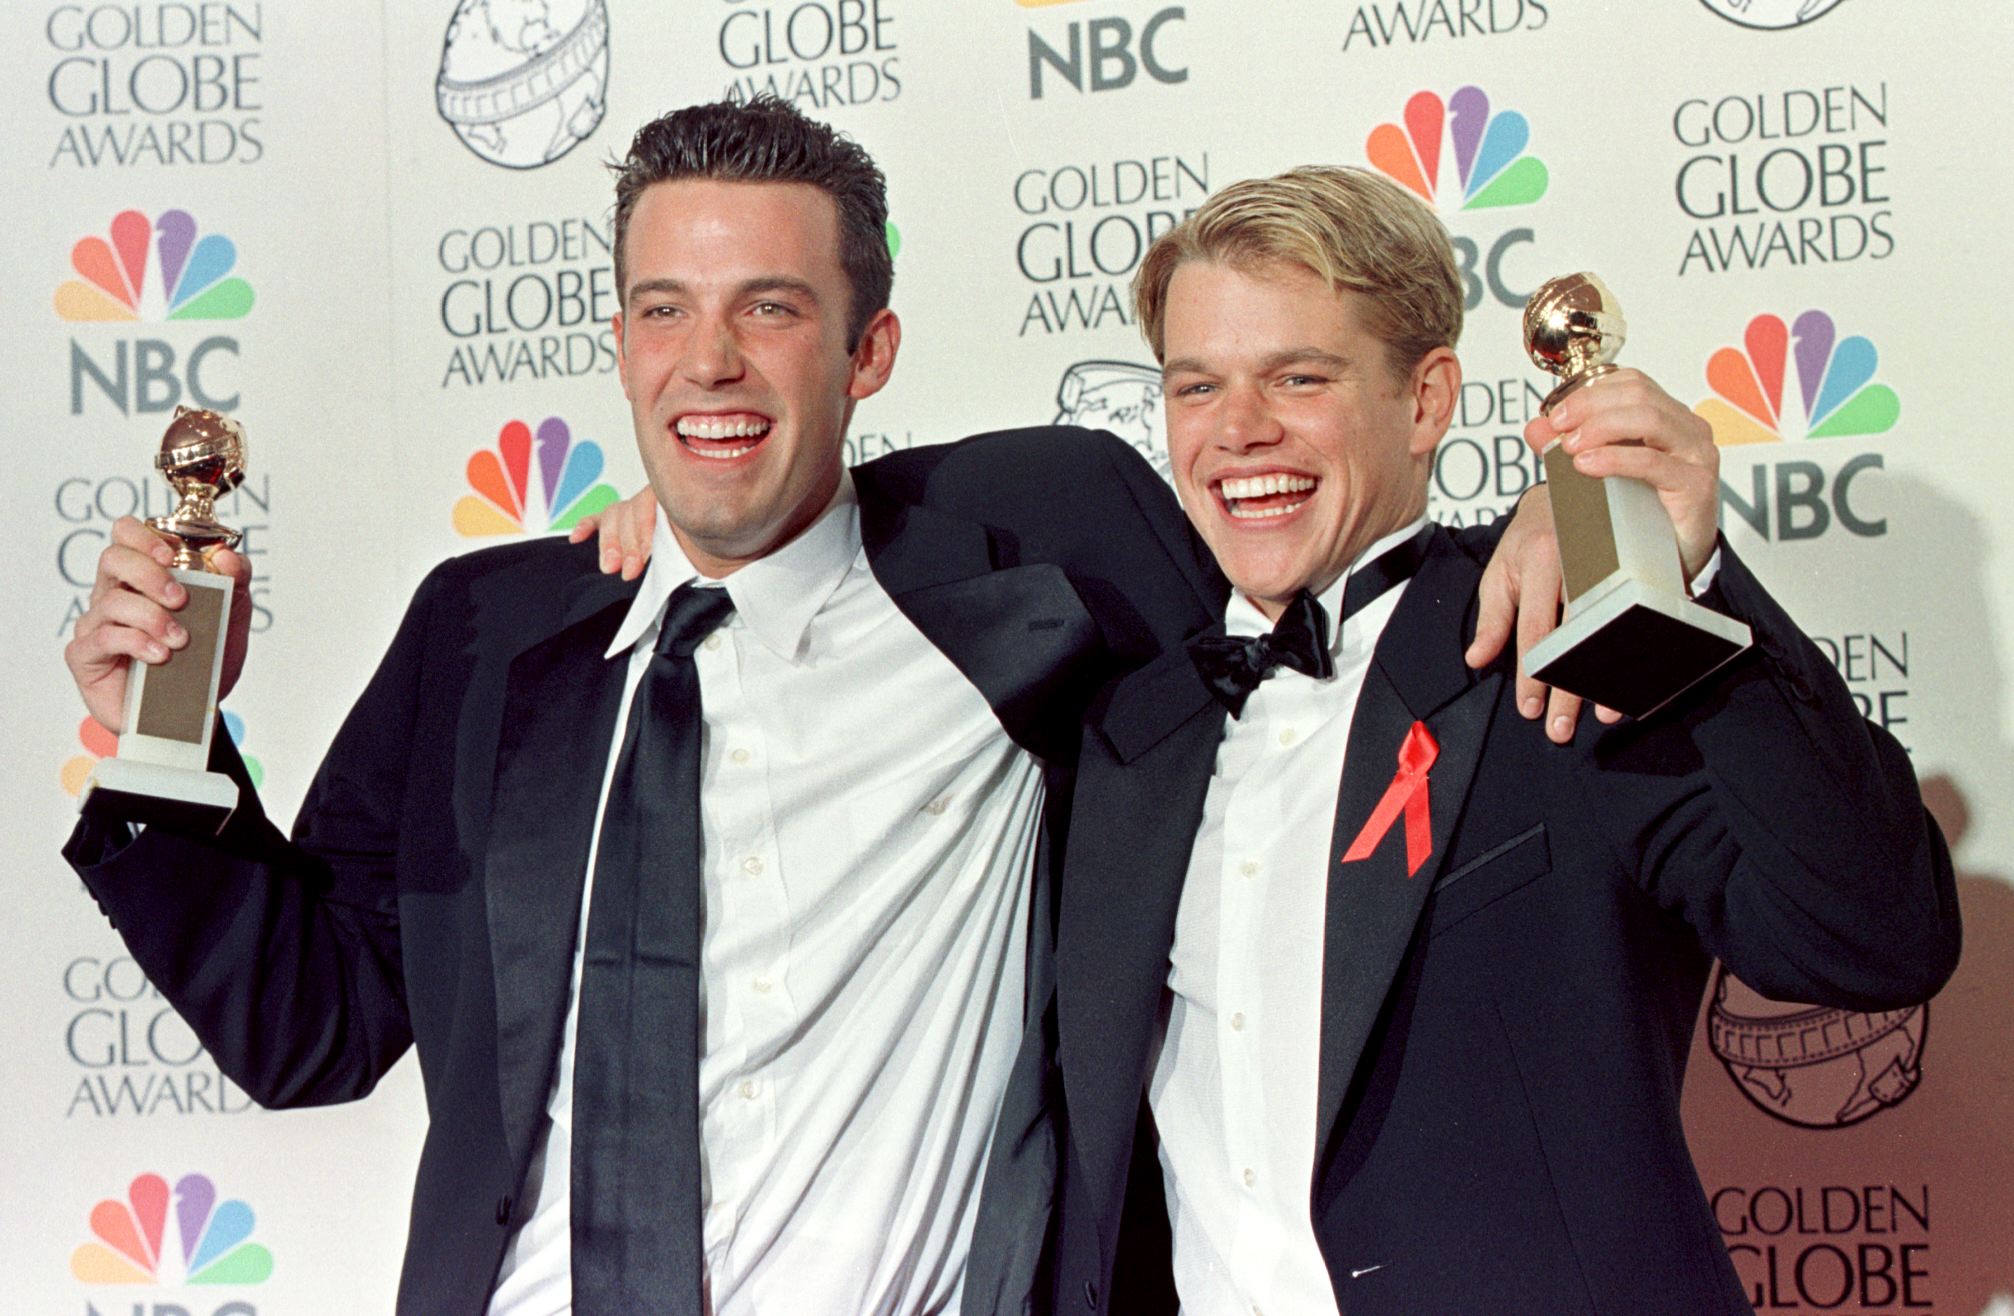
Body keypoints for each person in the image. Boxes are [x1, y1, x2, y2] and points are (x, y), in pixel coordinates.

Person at [61, 103, 1556, 1313]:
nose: (706, 361)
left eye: (768, 310)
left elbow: (1321, 562)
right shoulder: (486, 627)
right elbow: (309, 1028)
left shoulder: (1044, 553)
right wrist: (164, 742)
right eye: (664, 310)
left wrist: (1561, 536)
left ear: (867, 353)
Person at [1042, 166, 1962, 1316]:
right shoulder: (1129, 729)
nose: (1237, 431)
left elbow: (1871, 937)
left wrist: (1689, 581)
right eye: (1196, 387)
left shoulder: (1550, 637)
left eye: (1299, 377)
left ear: (1426, 400)